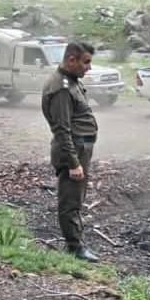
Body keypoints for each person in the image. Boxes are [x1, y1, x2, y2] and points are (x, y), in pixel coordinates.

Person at [41, 42, 101, 263]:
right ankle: (74, 247)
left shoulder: (71, 82)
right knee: (70, 200)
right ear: (72, 60)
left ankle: (76, 242)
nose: (89, 67)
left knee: (77, 197)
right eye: (86, 62)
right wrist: (74, 163)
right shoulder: (62, 89)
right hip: (72, 149)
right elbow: (62, 130)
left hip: (80, 148)